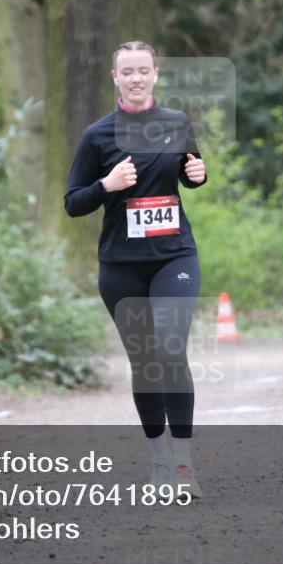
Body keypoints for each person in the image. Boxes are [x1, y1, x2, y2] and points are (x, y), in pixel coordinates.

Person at [64, 41, 207, 496]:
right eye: (128, 71)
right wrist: (106, 185)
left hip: (174, 257)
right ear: (115, 78)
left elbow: (189, 171)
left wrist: (198, 175)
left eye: (143, 70)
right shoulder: (97, 136)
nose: (137, 78)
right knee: (145, 363)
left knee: (169, 349)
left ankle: (184, 466)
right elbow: (72, 202)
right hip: (121, 265)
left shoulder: (176, 123)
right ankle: (159, 461)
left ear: (155, 75)